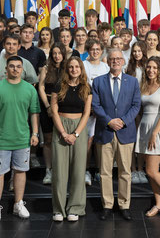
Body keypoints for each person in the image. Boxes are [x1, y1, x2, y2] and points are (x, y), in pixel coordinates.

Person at [0, 56, 41, 221]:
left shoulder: (30, 89)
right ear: (5, 69)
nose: (15, 69)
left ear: (23, 69)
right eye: (12, 66)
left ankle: (18, 203)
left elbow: (34, 113)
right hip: (0, 140)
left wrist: (35, 133)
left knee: (20, 172)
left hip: (22, 139)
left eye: (18, 67)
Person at [92, 49, 141, 221]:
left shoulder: (133, 82)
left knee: (125, 171)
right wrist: (109, 121)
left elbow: (136, 105)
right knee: (105, 172)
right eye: (112, 59)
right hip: (105, 131)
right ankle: (107, 205)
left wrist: (123, 121)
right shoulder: (98, 82)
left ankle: (124, 204)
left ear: (123, 61)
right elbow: (96, 106)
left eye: (118, 59)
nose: (115, 61)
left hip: (125, 132)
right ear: (108, 61)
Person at [50, 56, 92, 221]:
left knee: (78, 171)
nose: (74, 69)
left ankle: (75, 208)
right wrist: (63, 133)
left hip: (79, 129)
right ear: (67, 69)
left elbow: (87, 113)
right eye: (71, 67)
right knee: (59, 172)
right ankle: (58, 209)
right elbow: (54, 110)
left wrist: (75, 134)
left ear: (81, 69)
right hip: (60, 127)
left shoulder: (86, 88)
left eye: (77, 67)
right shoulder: (58, 86)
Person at [135, 56, 160, 217]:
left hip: (157, 129)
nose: (151, 70)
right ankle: (158, 203)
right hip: (144, 127)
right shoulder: (144, 86)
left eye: (154, 67)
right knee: (150, 170)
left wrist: (154, 132)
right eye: (149, 67)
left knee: (152, 171)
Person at [82, 39, 110, 185]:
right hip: (88, 109)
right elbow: (83, 86)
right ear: (88, 50)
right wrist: (90, 107)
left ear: (101, 51)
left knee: (101, 141)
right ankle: (86, 170)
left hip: (103, 109)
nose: (95, 52)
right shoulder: (83, 65)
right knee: (88, 140)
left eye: (98, 49)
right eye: (92, 49)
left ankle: (100, 171)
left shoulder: (105, 67)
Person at [38, 43, 67, 185]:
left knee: (62, 138)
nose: (57, 56)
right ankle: (49, 170)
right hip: (48, 105)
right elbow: (41, 87)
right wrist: (48, 106)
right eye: (54, 53)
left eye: (59, 53)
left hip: (62, 106)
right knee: (48, 139)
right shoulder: (45, 68)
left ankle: (61, 170)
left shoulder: (67, 68)